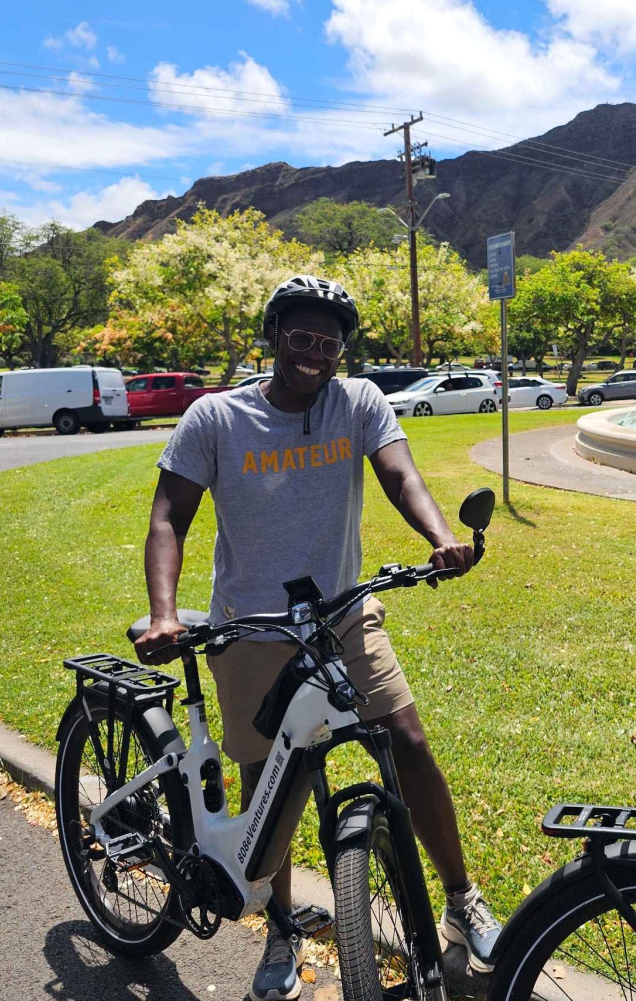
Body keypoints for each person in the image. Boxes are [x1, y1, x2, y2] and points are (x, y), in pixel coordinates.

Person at [135, 275, 501, 1001]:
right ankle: (279, 934)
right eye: (301, 338)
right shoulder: (215, 418)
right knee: (268, 790)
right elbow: (167, 517)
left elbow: (401, 474)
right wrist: (165, 611)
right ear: (272, 335)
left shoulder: (357, 401)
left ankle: (463, 901)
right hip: (251, 626)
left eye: (329, 343)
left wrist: (439, 537)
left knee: (409, 741)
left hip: (340, 618)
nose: (315, 354)